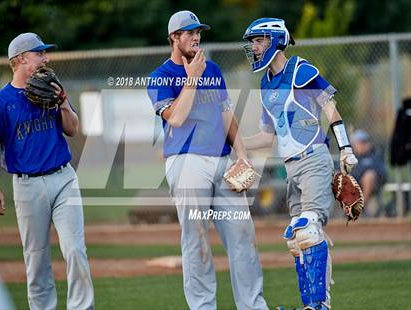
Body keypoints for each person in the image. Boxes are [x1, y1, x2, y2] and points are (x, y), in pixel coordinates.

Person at [147, 11, 269, 310]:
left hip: (222, 161)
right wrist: (192, 79)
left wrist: (241, 154)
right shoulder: (160, 76)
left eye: (198, 31)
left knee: (243, 235)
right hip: (186, 163)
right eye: (189, 32)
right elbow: (175, 117)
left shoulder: (212, 68)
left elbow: (226, 114)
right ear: (174, 37)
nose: (196, 37)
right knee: (196, 239)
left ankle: (253, 305)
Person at [242, 18, 358, 309]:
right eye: (253, 42)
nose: (254, 47)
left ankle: (320, 305)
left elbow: (330, 107)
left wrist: (345, 147)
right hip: (291, 167)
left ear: (275, 40)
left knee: (308, 229)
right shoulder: (266, 84)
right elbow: (268, 137)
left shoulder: (300, 70)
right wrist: (233, 142)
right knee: (296, 236)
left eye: (258, 40)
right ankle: (310, 304)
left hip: (314, 159)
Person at [0, 33, 94, 310]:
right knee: (36, 259)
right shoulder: (0, 103)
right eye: (40, 53)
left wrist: (62, 102)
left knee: (75, 250)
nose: (46, 58)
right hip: (27, 186)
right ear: (22, 60)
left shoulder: (51, 88)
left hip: (63, 178)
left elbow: (73, 129)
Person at [351, 129, 388, 217]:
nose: (363, 145)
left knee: (369, 176)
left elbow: (382, 172)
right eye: (360, 142)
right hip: (353, 184)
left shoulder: (374, 156)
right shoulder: (349, 157)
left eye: (365, 142)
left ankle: (360, 209)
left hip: (371, 185)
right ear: (353, 144)